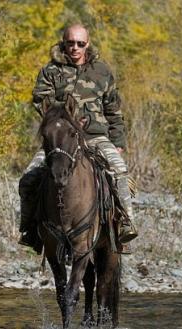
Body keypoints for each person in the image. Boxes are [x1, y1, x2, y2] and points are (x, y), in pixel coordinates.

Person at [18, 24, 137, 254]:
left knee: (120, 172)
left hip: (96, 137)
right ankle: (30, 229)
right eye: (70, 43)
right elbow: (40, 102)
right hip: (61, 141)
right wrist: (63, 120)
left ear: (87, 44)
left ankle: (125, 224)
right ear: (63, 42)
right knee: (28, 179)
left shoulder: (102, 71)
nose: (75, 47)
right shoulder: (50, 71)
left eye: (80, 43)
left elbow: (114, 110)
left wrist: (118, 142)